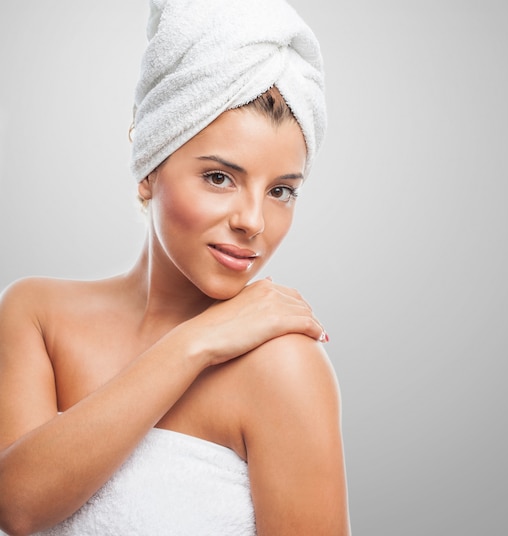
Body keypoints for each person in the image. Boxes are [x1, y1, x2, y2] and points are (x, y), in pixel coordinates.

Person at [0, 0, 350, 534]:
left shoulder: (284, 368)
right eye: (219, 178)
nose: (253, 221)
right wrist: (196, 343)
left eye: (281, 190)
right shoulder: (38, 315)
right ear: (148, 166)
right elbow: (17, 506)